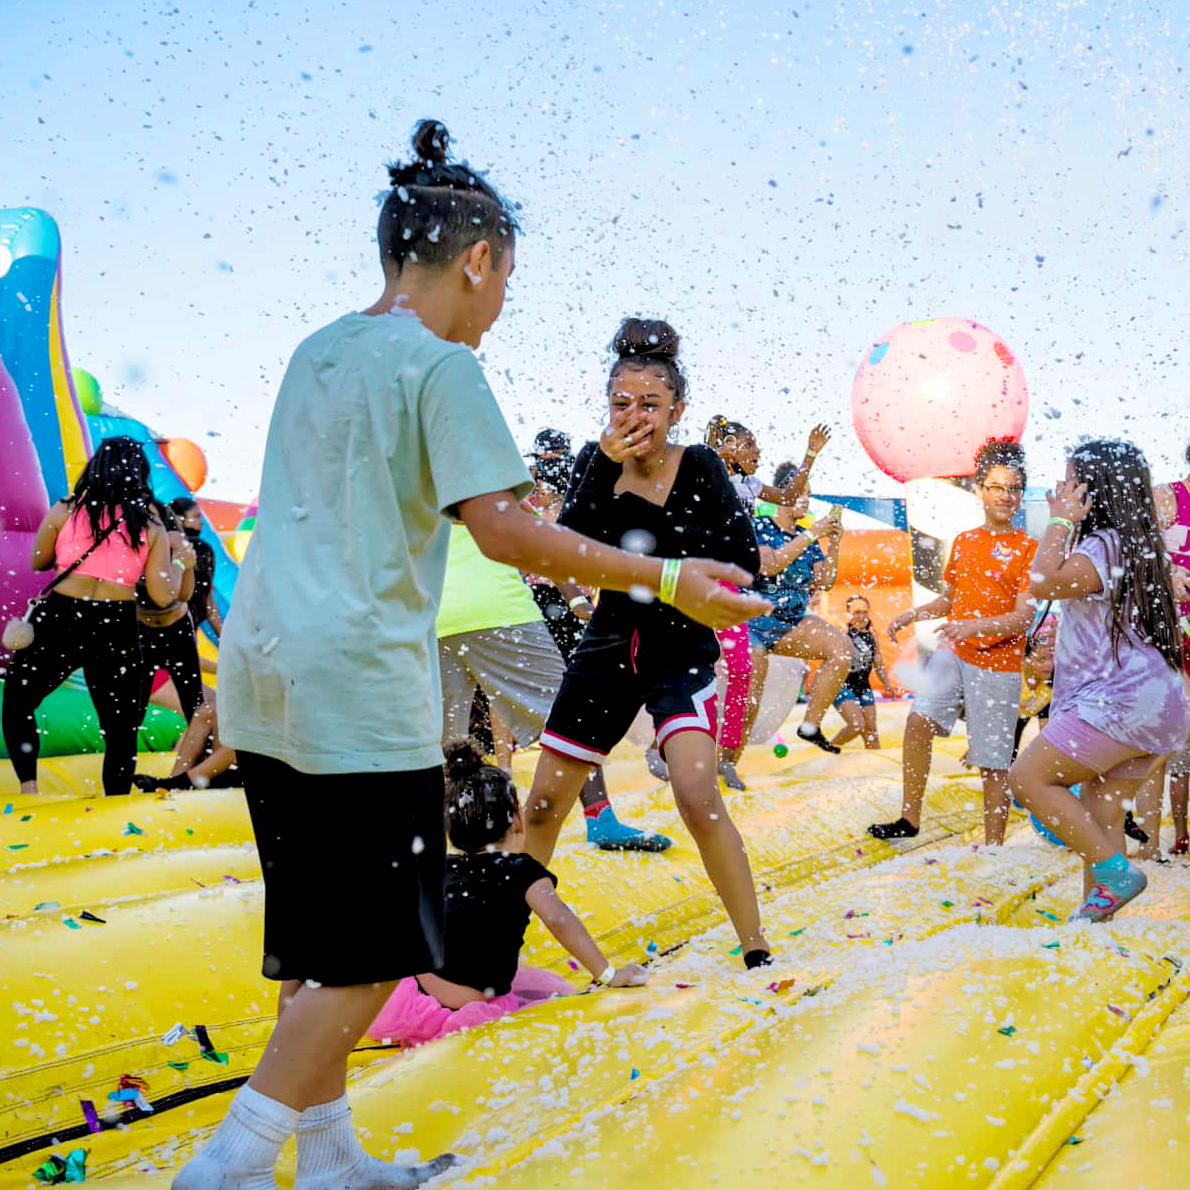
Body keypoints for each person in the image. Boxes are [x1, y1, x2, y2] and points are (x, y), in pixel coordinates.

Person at [175, 121, 764, 1190]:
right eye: (503, 285)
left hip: (262, 666)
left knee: (312, 938)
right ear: (477, 259)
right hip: (358, 678)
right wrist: (669, 578)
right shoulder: (438, 365)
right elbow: (501, 528)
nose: (498, 311)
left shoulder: (319, 349)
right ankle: (229, 1160)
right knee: (389, 940)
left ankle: (332, 1152)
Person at [522, 317, 774, 971]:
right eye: (621, 404)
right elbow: (565, 547)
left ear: (677, 409)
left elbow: (744, 557)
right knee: (545, 804)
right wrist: (603, 464)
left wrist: (691, 577)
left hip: (679, 647)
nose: (636, 417)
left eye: (651, 405)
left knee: (695, 790)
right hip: (605, 646)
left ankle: (755, 946)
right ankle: (498, 946)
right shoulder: (593, 461)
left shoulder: (702, 466)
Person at [1009, 441, 1188, 920]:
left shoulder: (1103, 544)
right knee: (1100, 808)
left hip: (1120, 703)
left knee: (1027, 778)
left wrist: (1061, 520)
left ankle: (1115, 873)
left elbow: (1042, 581)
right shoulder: (1140, 544)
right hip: (1160, 703)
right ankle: (1096, 920)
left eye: (1071, 482)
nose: (1062, 490)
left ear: (1095, 490)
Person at [366, 743, 646, 1047]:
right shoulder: (522, 869)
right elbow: (558, 918)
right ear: (516, 819)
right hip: (475, 1002)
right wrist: (606, 974)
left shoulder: (440, 867)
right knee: (545, 988)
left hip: (419, 993)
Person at [438, 521, 670, 851]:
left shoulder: (408, 478)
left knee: (444, 741)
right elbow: (538, 534)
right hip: (497, 608)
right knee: (570, 718)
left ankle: (440, 841)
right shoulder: (486, 479)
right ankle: (600, 818)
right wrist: (576, 599)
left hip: (434, 618)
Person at [869, 439, 1037, 845]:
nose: (1004, 495)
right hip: (955, 652)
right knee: (917, 721)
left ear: (1021, 494)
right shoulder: (965, 541)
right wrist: (914, 614)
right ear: (979, 489)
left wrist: (973, 626)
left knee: (992, 759)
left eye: (1013, 488)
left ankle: (994, 848)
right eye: (996, 486)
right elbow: (953, 599)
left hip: (999, 664)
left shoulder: (1028, 548)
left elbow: (1023, 616)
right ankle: (910, 818)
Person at [2, 437, 183, 797]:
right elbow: (163, 595)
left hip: (62, 616)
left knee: (19, 700)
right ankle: (115, 802)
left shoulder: (67, 509)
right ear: (139, 474)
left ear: (96, 466)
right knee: (121, 726)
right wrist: (178, 562)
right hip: (116, 622)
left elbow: (39, 561)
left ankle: (29, 788)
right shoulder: (150, 526)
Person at [693, 417, 832, 789]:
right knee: (689, 668)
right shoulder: (704, 473)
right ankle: (664, 747)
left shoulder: (750, 485)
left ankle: (725, 759)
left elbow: (788, 497)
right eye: (750, 445)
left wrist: (810, 455)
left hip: (733, 587)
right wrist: (715, 445)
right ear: (730, 449)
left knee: (741, 671)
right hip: (697, 582)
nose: (758, 452)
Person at [744, 471, 850, 753]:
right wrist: (813, 532)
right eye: (800, 492)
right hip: (752, 623)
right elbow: (770, 566)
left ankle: (810, 726)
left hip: (789, 623)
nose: (805, 499)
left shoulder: (809, 540)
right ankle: (727, 762)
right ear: (783, 495)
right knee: (749, 704)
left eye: (808, 493)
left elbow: (825, 581)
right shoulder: (760, 525)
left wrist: (835, 543)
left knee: (842, 650)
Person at [1129, 448, 1190, 858]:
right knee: (1162, 739)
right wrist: (1165, 571)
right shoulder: (1167, 496)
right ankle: (1148, 843)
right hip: (1168, 635)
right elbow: (1128, 549)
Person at [136, 501, 205, 727]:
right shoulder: (133, 550)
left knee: (194, 705)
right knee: (134, 709)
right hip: (142, 632)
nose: (150, 524)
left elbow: (183, 594)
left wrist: (181, 557)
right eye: (144, 519)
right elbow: (159, 595)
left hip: (177, 630)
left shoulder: (176, 546)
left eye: (154, 518)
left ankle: (202, 756)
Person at [830, 595, 899, 749]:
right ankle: (828, 749)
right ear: (848, 614)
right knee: (856, 725)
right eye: (857, 612)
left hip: (863, 687)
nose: (861, 616)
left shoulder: (872, 637)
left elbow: (878, 664)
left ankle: (877, 769)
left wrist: (887, 684)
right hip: (841, 686)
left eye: (864, 612)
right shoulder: (842, 632)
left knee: (871, 733)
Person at [170, 496, 223, 638]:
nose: (202, 522)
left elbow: (208, 599)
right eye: (197, 516)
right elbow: (208, 601)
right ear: (180, 518)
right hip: (188, 624)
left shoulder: (163, 544)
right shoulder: (201, 548)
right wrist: (224, 638)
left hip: (166, 622)